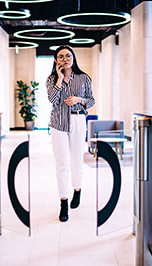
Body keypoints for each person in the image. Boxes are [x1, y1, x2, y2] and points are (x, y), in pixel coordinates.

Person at [46, 45, 95, 222]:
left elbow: (91, 101)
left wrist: (79, 100)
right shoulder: (52, 79)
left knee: (76, 160)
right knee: (62, 163)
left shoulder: (84, 78)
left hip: (78, 120)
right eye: (61, 57)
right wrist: (59, 79)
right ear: (56, 60)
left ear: (73, 58)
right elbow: (52, 100)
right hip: (58, 123)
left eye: (68, 55)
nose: (65, 59)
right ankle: (63, 202)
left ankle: (77, 190)